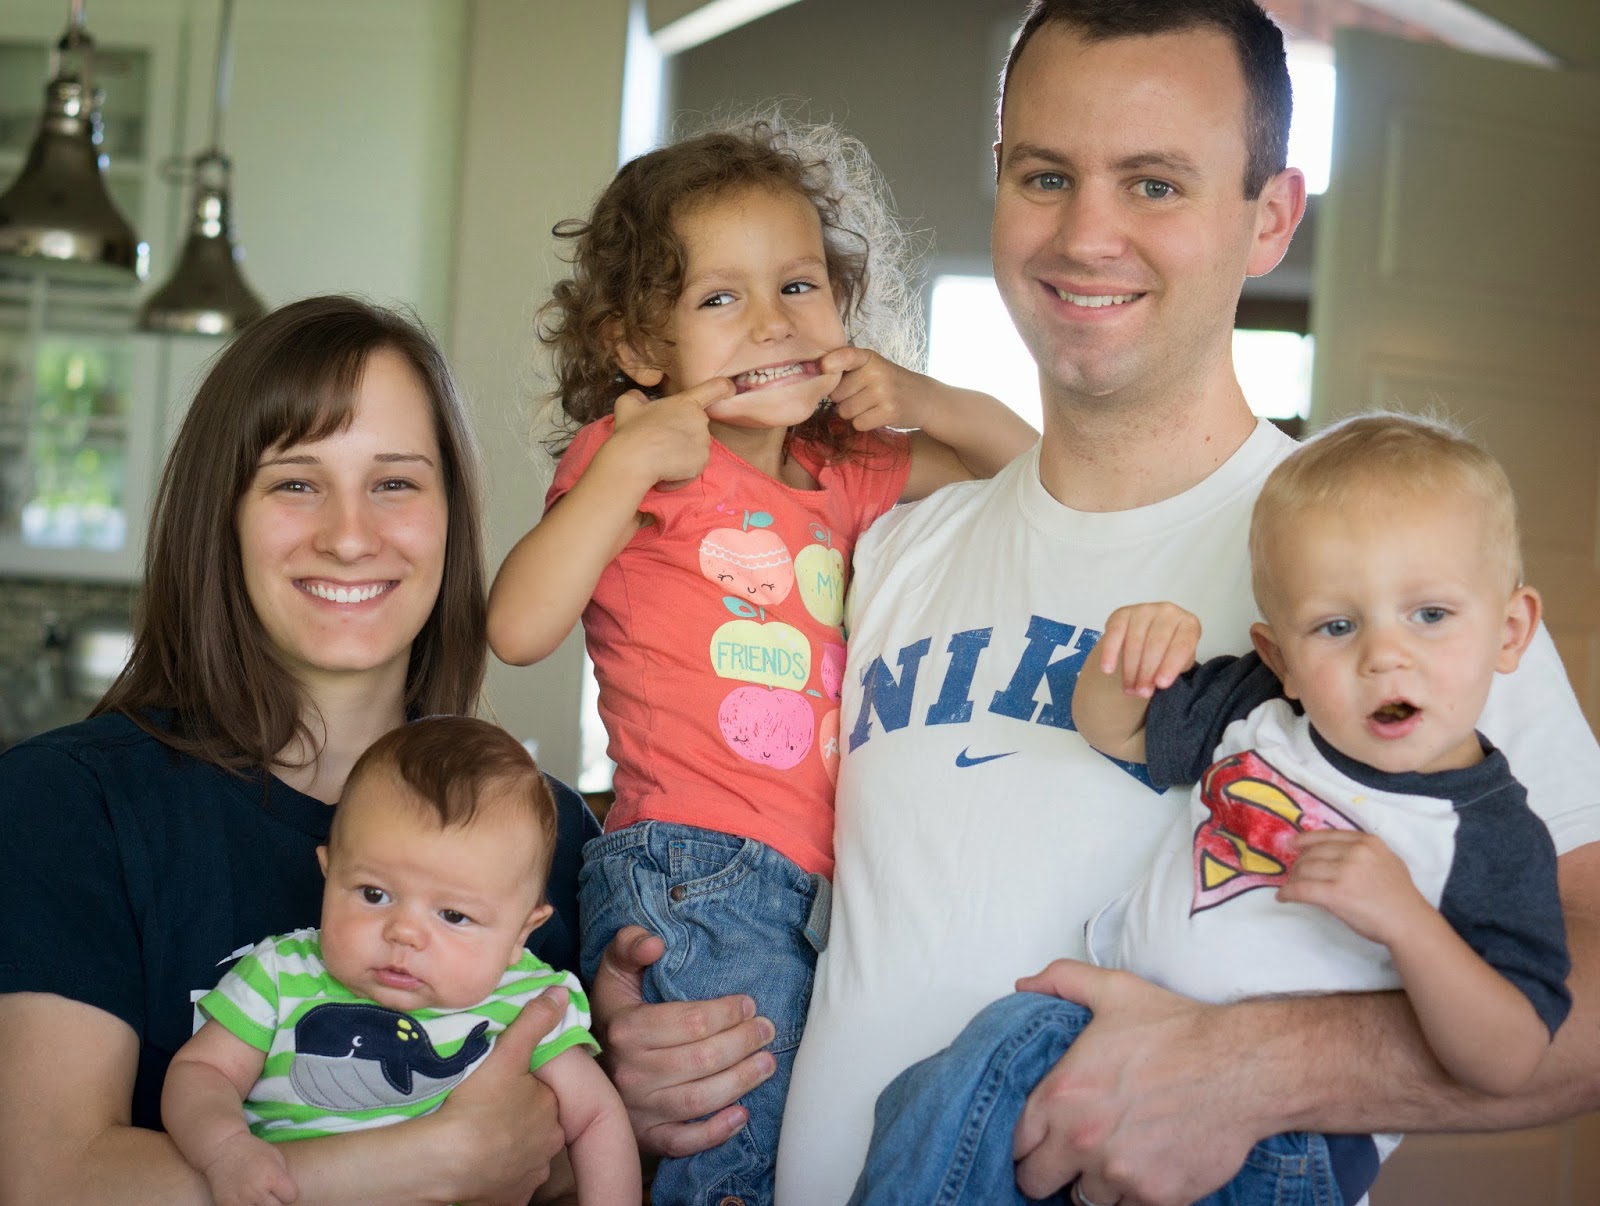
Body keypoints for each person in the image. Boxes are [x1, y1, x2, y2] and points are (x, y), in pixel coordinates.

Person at [595, 7, 1600, 1204]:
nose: (1085, 235)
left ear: (1269, 217)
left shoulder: (1391, 585)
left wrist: (1253, 1067)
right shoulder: (889, 549)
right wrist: (656, 1030)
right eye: (1045, 176)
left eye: (1155, 184)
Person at [488, 115, 1037, 1204]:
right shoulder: (637, 455)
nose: (771, 323)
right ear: (639, 349)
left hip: (824, 879)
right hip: (696, 865)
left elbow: (1029, 476)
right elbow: (517, 627)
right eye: (719, 299)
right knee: (735, 1155)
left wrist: (930, 401)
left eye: (797, 286)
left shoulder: (847, 468)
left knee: (801, 1149)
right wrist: (625, 465)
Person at [847, 413, 1572, 1206]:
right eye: (1336, 626)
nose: (1384, 655)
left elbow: (1508, 1058)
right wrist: (1125, 664)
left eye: (1430, 615)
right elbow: (1115, 730)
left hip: (1285, 1142)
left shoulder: (1492, 836)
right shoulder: (1260, 715)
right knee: (966, 1070)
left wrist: (1408, 923)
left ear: (1511, 632)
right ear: (1280, 658)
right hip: (1102, 1051)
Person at [0, 295, 600, 1205]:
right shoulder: (66, 805)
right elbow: (48, 1181)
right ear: (222, 515)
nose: (349, 536)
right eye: (294, 482)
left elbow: (585, 1148)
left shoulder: (557, 836)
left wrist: (644, 1085)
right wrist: (427, 1163)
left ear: (451, 516)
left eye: (394, 483)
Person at [163, 716, 637, 1206]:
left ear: (522, 932)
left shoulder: (528, 1000)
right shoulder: (280, 974)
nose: (404, 933)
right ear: (330, 872)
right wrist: (225, 1148)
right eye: (374, 893)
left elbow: (596, 1118)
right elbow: (203, 1072)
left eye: (453, 915)